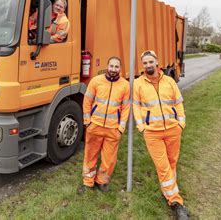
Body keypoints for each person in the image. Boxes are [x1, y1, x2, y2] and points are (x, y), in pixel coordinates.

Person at [133, 50, 190, 219]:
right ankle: (176, 202)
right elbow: (136, 106)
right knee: (163, 166)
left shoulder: (170, 81)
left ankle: (169, 191)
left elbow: (178, 102)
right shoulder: (138, 83)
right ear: (142, 65)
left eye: (151, 62)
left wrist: (181, 122)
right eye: (145, 63)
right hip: (152, 133)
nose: (148, 65)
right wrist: (141, 126)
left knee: (172, 163)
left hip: (173, 130)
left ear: (157, 62)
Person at [78, 57, 130, 193]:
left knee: (109, 159)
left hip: (113, 129)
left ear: (120, 68)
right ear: (107, 66)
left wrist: (121, 128)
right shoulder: (96, 81)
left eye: (116, 67)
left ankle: (101, 181)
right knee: (90, 155)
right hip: (95, 126)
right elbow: (87, 102)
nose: (113, 69)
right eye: (111, 66)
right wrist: (87, 122)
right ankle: (88, 181)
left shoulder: (125, 85)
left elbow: (125, 108)